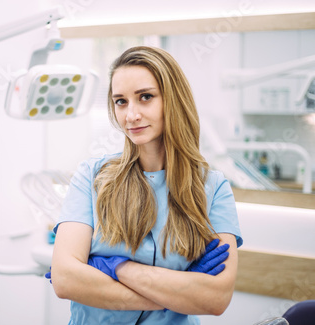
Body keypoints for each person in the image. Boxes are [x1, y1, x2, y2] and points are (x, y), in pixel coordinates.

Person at [49, 46, 243, 324]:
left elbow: (215, 299)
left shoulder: (212, 188)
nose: (131, 115)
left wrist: (117, 268)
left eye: (146, 97)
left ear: (173, 100)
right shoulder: (92, 176)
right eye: (121, 101)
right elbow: (65, 279)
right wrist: (182, 291)